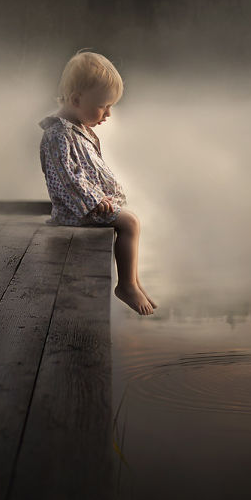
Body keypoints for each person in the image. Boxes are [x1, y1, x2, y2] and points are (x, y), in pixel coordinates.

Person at [38, 49, 156, 315]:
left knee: (130, 219)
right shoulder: (58, 135)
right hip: (76, 211)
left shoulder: (76, 129)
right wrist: (93, 201)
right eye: (104, 106)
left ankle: (134, 280)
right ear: (77, 99)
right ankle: (126, 285)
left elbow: (87, 170)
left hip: (88, 206)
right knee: (130, 222)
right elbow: (67, 178)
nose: (109, 114)